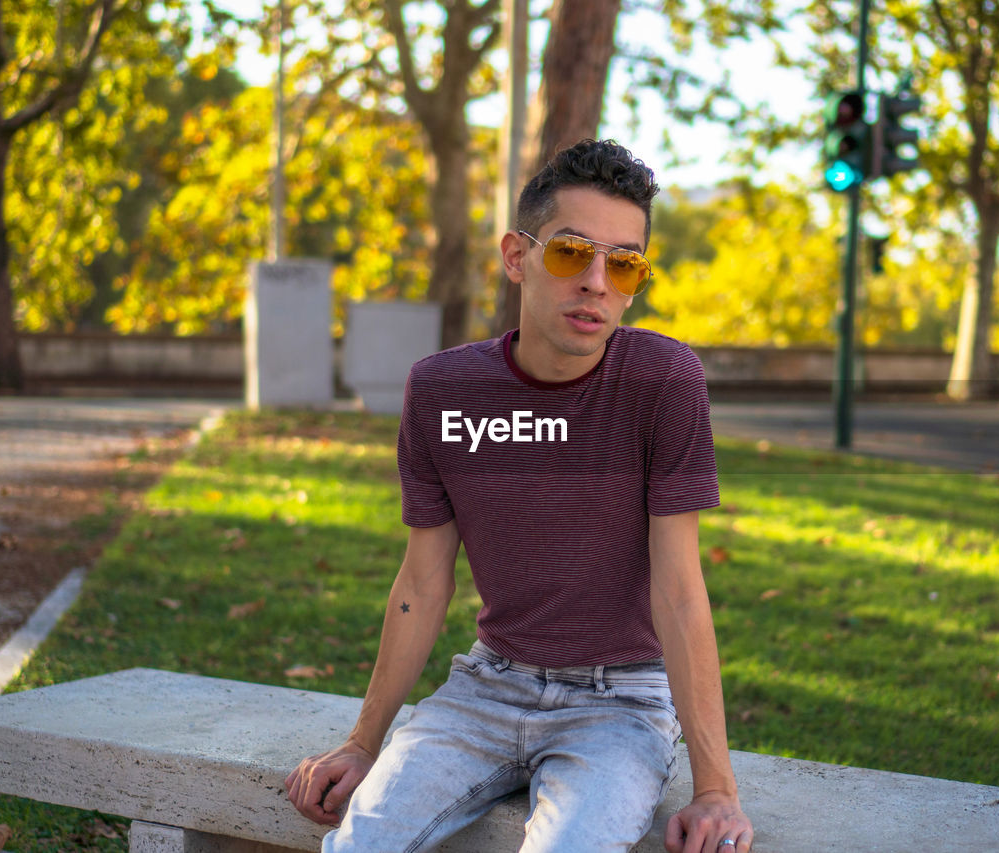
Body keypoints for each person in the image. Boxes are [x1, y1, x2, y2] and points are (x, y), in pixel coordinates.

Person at [285, 139, 754, 853]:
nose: (597, 282)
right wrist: (360, 741)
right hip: (486, 688)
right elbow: (421, 579)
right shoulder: (443, 390)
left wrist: (715, 787)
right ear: (517, 257)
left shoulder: (663, 381)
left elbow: (681, 591)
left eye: (623, 263)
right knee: (358, 845)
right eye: (571, 253)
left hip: (621, 703)